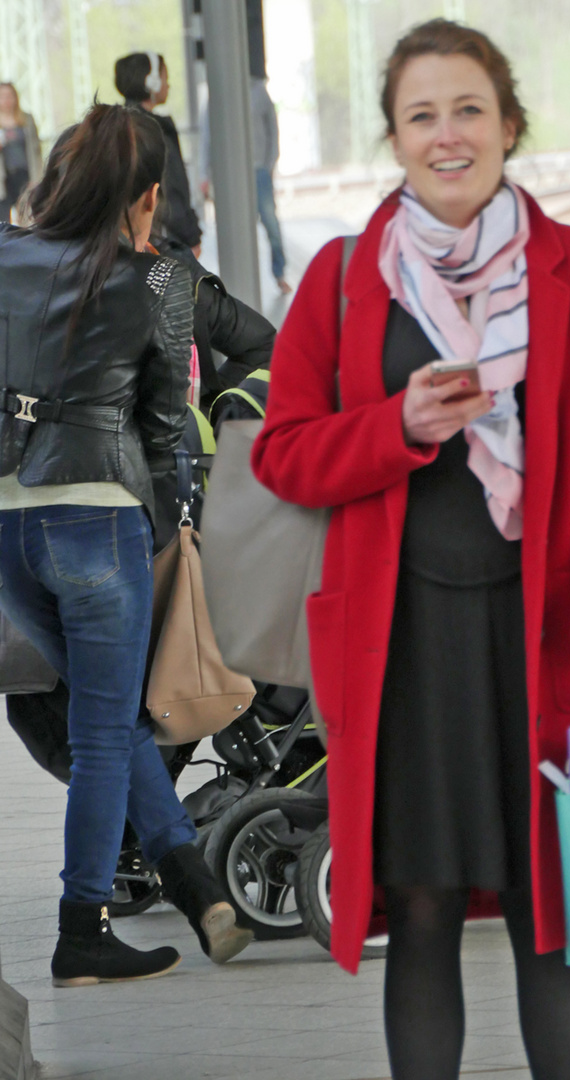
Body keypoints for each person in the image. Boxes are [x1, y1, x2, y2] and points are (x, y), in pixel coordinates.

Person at [251, 18, 570, 1080]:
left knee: (553, 903)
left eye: (468, 110)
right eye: (421, 115)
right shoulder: (345, 281)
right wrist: (399, 429)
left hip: (545, 637)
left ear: (510, 125)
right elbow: (286, 455)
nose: (448, 135)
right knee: (423, 903)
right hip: (403, 649)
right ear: (393, 139)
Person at [0, 103, 252, 988]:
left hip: (6, 528)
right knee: (106, 729)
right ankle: (82, 929)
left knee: (108, 715)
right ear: (147, 198)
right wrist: (156, 523)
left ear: (56, 182)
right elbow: (160, 425)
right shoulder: (158, 282)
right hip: (99, 521)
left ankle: (194, 885)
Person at [200, 77, 291, 294]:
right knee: (238, 228)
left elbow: (272, 127)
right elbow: (207, 137)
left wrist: (270, 163)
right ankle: (238, 281)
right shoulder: (216, 94)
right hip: (230, 174)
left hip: (259, 170)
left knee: (271, 223)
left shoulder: (259, 91)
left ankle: (279, 273)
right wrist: (205, 174)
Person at [114, 52, 202, 256]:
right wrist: (190, 237)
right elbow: (172, 190)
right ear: (151, 82)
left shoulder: (117, 127)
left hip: (130, 240)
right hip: (165, 240)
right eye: (164, 78)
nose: (168, 85)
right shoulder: (156, 131)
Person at [0, 82, 41, 222]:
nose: (6, 100)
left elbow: (36, 151)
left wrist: (37, 177)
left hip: (24, 174)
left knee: (27, 216)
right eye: (3, 96)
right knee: (4, 220)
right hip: (4, 178)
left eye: (9, 96)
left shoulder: (27, 120)